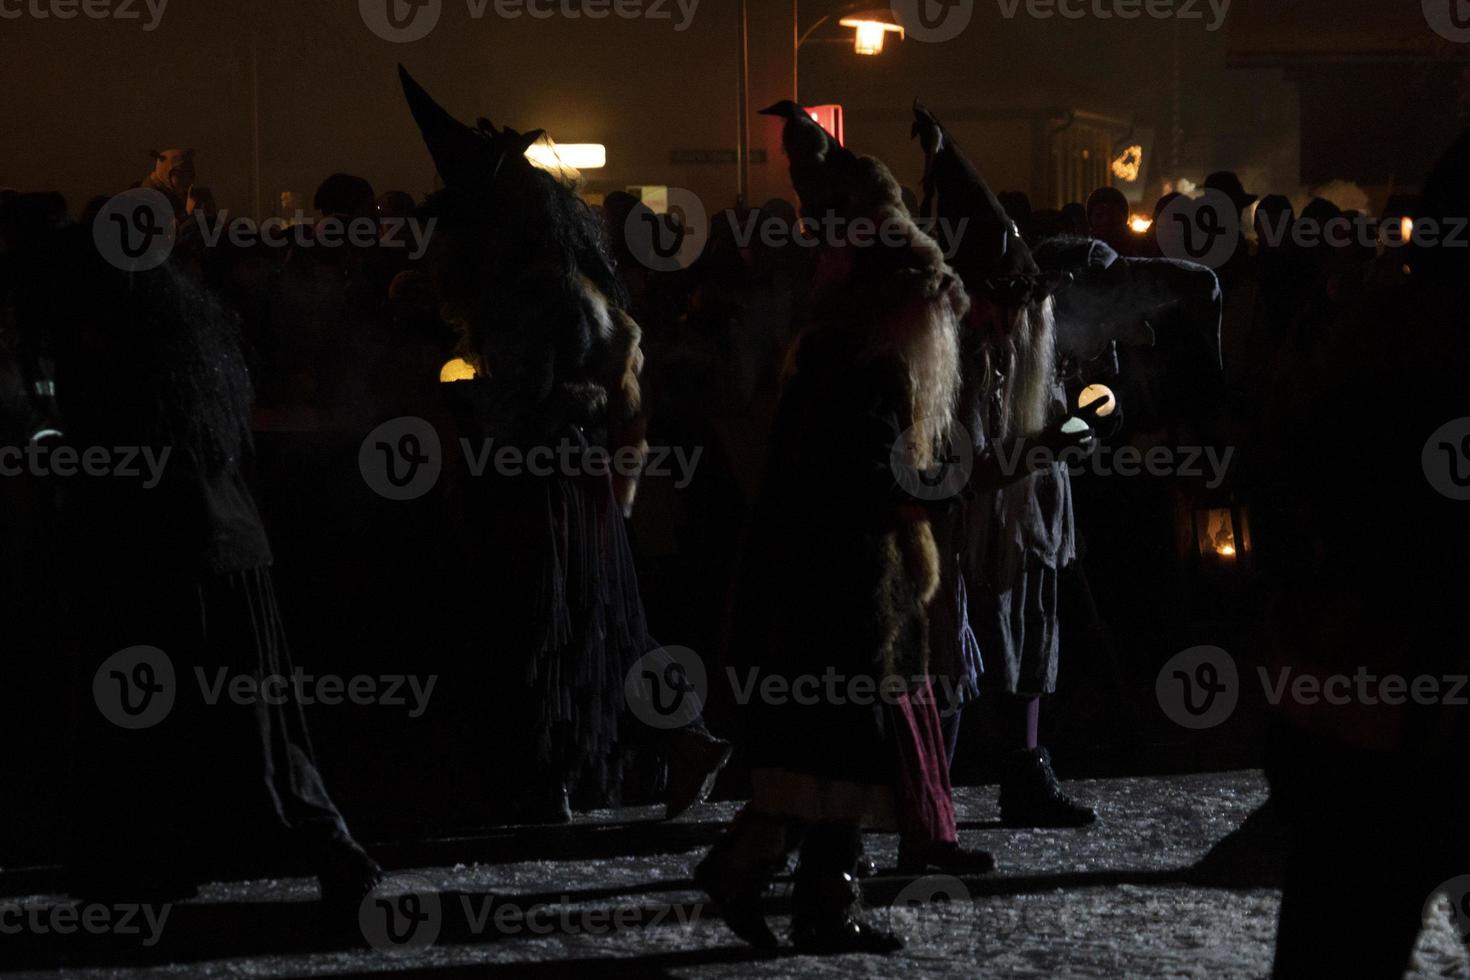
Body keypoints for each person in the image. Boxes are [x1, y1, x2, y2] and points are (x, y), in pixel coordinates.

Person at [398, 67, 728, 824]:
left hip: (541, 488)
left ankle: (554, 781)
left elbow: (522, 404)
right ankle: (676, 742)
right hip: (571, 483)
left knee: (548, 625)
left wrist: (450, 395)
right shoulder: (562, 281)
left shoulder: (530, 292)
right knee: (598, 618)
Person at [39, 217, 382, 913]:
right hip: (227, 547)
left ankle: (155, 857)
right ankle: (324, 843)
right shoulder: (188, 338)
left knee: (151, 714)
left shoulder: (98, 342)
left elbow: (100, 454)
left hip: (152, 552)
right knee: (255, 715)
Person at [694, 100, 971, 953]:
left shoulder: (831, 351)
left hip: (821, 583)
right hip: (845, 590)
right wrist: (936, 495)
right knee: (837, 752)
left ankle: (800, 892)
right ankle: (771, 883)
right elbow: (873, 480)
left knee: (825, 753)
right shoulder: (864, 365)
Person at [915, 104, 1102, 829]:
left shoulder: (1025, 345)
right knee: (948, 664)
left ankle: (1023, 770)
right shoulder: (943, 358)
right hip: (960, 537)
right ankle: (927, 799)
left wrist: (1088, 416)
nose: (1013, 319)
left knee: (1032, 640)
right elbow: (958, 466)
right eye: (999, 303)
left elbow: (1060, 412)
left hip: (1030, 524)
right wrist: (1049, 445)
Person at [139, 147, 196, 221]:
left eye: (190, 175)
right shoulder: (149, 199)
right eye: (180, 175)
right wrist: (189, 213)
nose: (187, 180)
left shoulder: (179, 194)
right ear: (165, 173)